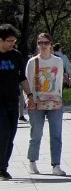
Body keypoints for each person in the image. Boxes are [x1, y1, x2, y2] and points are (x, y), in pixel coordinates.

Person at [25, 33, 66, 176]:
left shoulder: (58, 61)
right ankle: (32, 161)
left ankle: (56, 165)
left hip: (54, 101)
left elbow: (59, 81)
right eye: (40, 43)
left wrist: (59, 98)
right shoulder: (32, 62)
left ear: (51, 45)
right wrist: (29, 100)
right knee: (36, 133)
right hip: (36, 102)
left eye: (46, 43)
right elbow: (28, 82)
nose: (43, 46)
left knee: (56, 134)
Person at [0, 25, 34, 180]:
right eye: (9, 41)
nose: (12, 43)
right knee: (4, 131)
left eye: (14, 40)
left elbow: (22, 78)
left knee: (11, 135)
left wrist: (30, 95)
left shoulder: (16, 55)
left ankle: (3, 167)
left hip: (13, 100)